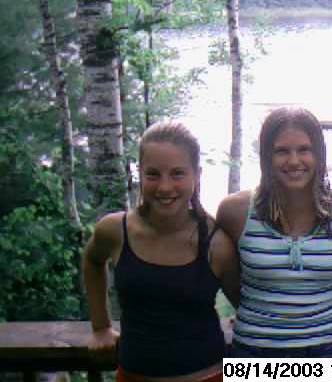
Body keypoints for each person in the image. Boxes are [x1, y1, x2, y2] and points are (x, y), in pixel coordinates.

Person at [83, 121, 240, 381]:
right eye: (153, 174)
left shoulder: (216, 244)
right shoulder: (115, 230)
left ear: (197, 174)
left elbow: (245, 305)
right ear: (140, 173)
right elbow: (92, 260)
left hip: (207, 376)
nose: (165, 187)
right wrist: (100, 326)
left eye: (178, 174)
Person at [216, 107, 332, 357]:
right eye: (282, 151)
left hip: (325, 350)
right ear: (266, 156)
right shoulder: (235, 211)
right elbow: (230, 283)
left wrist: (319, 316)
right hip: (253, 351)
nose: (294, 161)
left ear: (319, 154)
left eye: (304, 149)